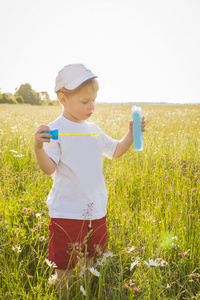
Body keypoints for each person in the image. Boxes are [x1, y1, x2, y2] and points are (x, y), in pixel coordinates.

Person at [34, 64, 145, 298]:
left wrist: (131, 133)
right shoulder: (55, 130)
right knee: (64, 264)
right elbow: (48, 168)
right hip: (67, 212)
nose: (92, 106)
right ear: (62, 98)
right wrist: (38, 148)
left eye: (94, 100)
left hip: (96, 209)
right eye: (85, 101)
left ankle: (85, 293)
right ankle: (65, 295)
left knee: (91, 258)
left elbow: (115, 151)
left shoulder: (94, 130)